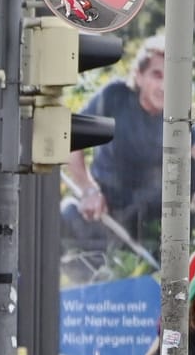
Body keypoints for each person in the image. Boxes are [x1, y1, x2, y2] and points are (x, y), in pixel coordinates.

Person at [63, 34, 166, 253]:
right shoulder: (115, 97)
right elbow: (71, 139)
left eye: (173, 77)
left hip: (151, 229)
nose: (165, 86)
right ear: (138, 76)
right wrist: (89, 190)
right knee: (66, 215)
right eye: (157, 75)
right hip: (102, 214)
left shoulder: (181, 117)